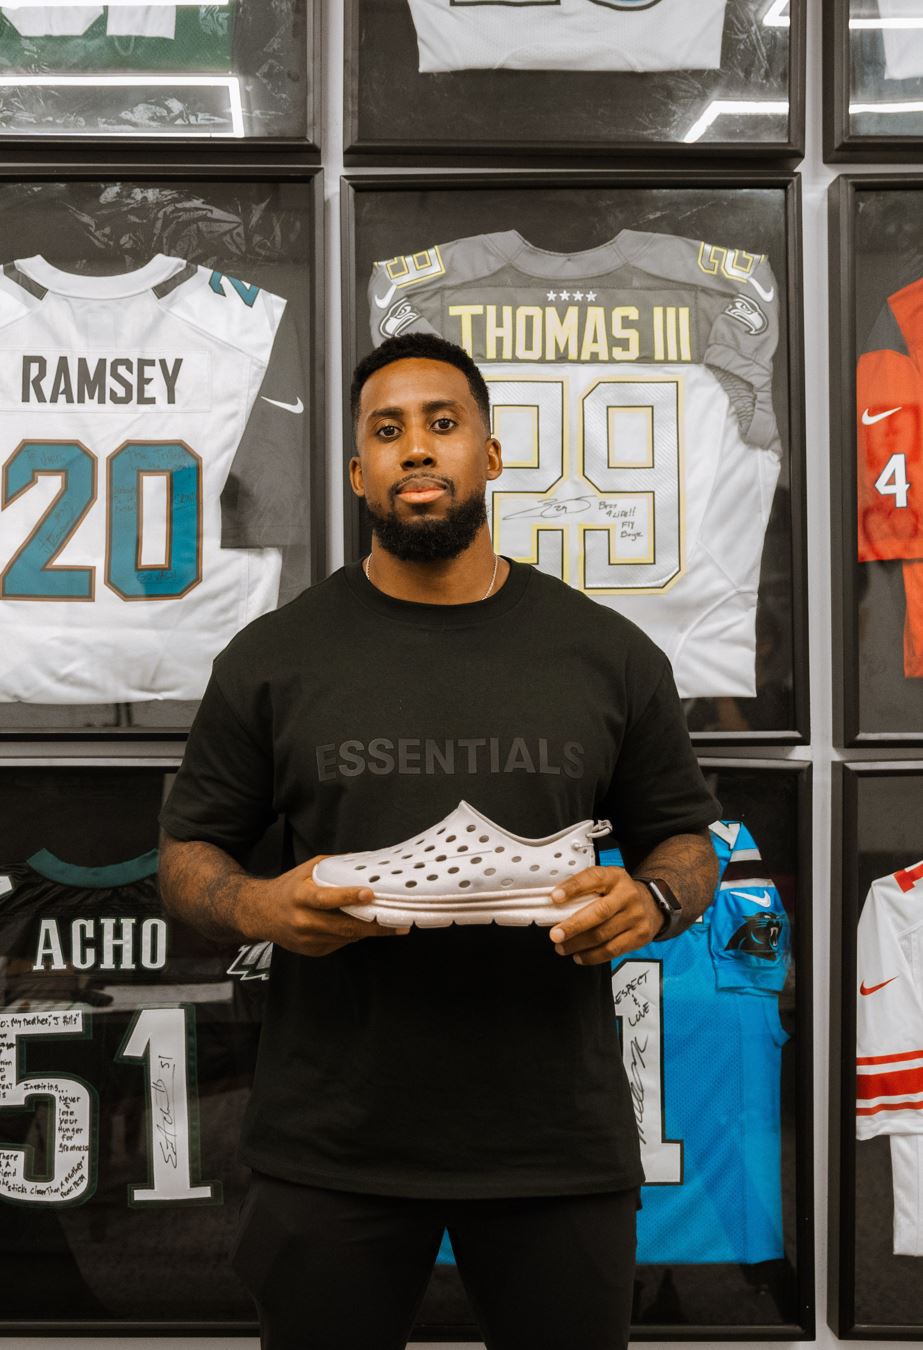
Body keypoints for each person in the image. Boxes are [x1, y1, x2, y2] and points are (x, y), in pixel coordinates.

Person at [158, 332, 720, 1350]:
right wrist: (260, 907)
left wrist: (656, 902)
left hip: (556, 1143)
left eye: (442, 423)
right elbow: (188, 857)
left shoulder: (607, 653)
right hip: (332, 1144)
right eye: (388, 430)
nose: (416, 449)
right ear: (358, 472)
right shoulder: (273, 658)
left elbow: (685, 840)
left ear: (490, 457)